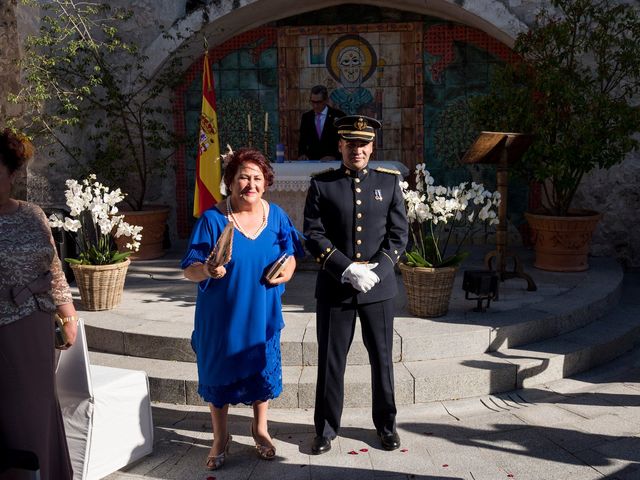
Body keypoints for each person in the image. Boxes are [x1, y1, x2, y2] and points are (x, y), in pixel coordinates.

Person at [181, 148, 304, 471]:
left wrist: (289, 269)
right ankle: (221, 437)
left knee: (259, 371)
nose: (250, 184)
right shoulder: (212, 219)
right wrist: (206, 270)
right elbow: (189, 267)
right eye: (243, 178)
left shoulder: (275, 215)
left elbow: (290, 251)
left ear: (266, 184)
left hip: (262, 311)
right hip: (221, 315)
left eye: (257, 178)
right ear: (230, 182)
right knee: (218, 375)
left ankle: (259, 429)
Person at [303, 115, 408, 454]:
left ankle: (387, 426)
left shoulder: (389, 183)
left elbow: (398, 235)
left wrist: (378, 269)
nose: (357, 149)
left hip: (378, 288)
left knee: (382, 359)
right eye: (350, 143)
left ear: (372, 146)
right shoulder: (322, 184)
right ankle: (326, 429)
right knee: (332, 361)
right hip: (335, 287)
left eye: (363, 144)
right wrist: (345, 268)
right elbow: (314, 234)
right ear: (340, 146)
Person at [0, 128, 78, 480]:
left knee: (40, 407)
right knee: (13, 415)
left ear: (12, 175)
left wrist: (68, 313)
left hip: (37, 326)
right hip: (3, 333)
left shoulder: (33, 214)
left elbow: (53, 266)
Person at [297, 85, 345, 160]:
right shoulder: (306, 117)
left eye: (318, 102)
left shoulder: (338, 116)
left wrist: (335, 157)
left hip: (333, 163)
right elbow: (302, 140)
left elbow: (344, 141)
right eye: (313, 102)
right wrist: (302, 154)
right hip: (311, 163)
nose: (315, 106)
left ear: (326, 100)